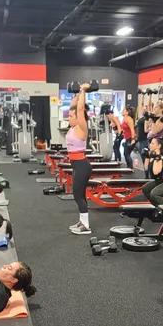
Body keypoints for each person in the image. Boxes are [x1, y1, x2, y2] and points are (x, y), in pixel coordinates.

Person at [67, 83, 93, 235]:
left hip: (82, 166)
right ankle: (82, 221)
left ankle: (86, 226)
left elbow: (80, 109)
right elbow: (74, 107)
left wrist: (83, 91)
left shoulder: (81, 127)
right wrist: (76, 95)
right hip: (77, 166)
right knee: (80, 194)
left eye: (71, 116)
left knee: (77, 194)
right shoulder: (72, 127)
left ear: (78, 118)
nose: (69, 118)